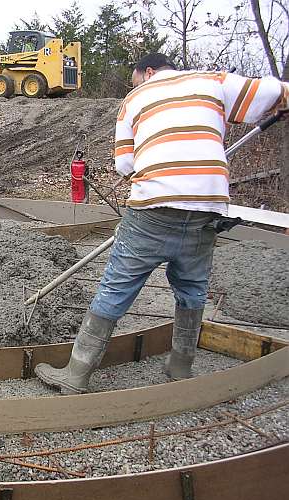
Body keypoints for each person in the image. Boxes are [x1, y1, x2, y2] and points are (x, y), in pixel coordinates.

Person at [36, 53, 289, 394]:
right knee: (192, 287)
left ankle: (76, 375)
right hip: (207, 209)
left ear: (149, 72)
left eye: (135, 78)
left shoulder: (134, 100)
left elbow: (125, 164)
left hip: (153, 208)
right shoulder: (213, 81)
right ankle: (181, 366)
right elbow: (275, 92)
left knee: (116, 288)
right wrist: (281, 103)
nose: (135, 85)